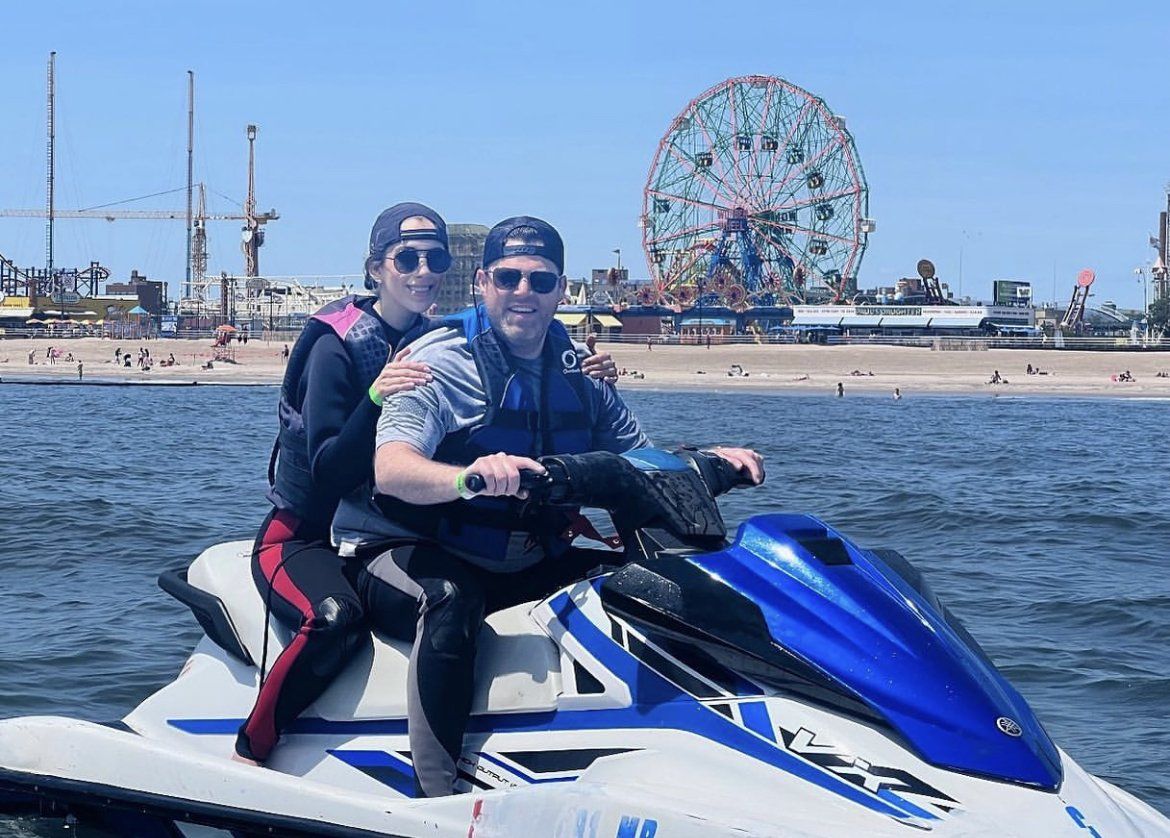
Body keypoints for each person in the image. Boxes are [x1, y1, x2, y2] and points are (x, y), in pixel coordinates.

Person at [335, 216, 763, 797]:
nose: (523, 293)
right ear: (483, 282)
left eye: (540, 282)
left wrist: (708, 459)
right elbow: (392, 471)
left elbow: (638, 459)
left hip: (521, 555)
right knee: (450, 602)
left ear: (562, 290)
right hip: (410, 547)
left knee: (642, 585)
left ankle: (704, 746)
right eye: (508, 277)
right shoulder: (438, 361)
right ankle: (436, 794)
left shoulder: (580, 370)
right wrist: (469, 478)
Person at [235, 205, 617, 767]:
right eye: (406, 258)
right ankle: (252, 749)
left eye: (434, 258)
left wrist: (580, 367)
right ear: (375, 268)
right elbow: (330, 473)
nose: (423, 270)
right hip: (303, 535)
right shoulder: (336, 345)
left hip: (389, 526)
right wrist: (373, 400)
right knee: (335, 620)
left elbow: (508, 338)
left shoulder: (433, 340)